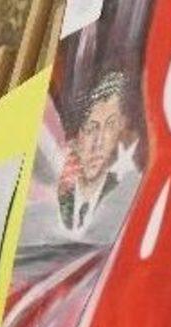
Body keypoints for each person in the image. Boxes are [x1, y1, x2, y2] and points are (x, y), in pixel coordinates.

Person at [58, 70, 128, 235]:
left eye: (110, 125)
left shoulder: (123, 198)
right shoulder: (54, 203)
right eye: (91, 128)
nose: (99, 142)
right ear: (75, 139)